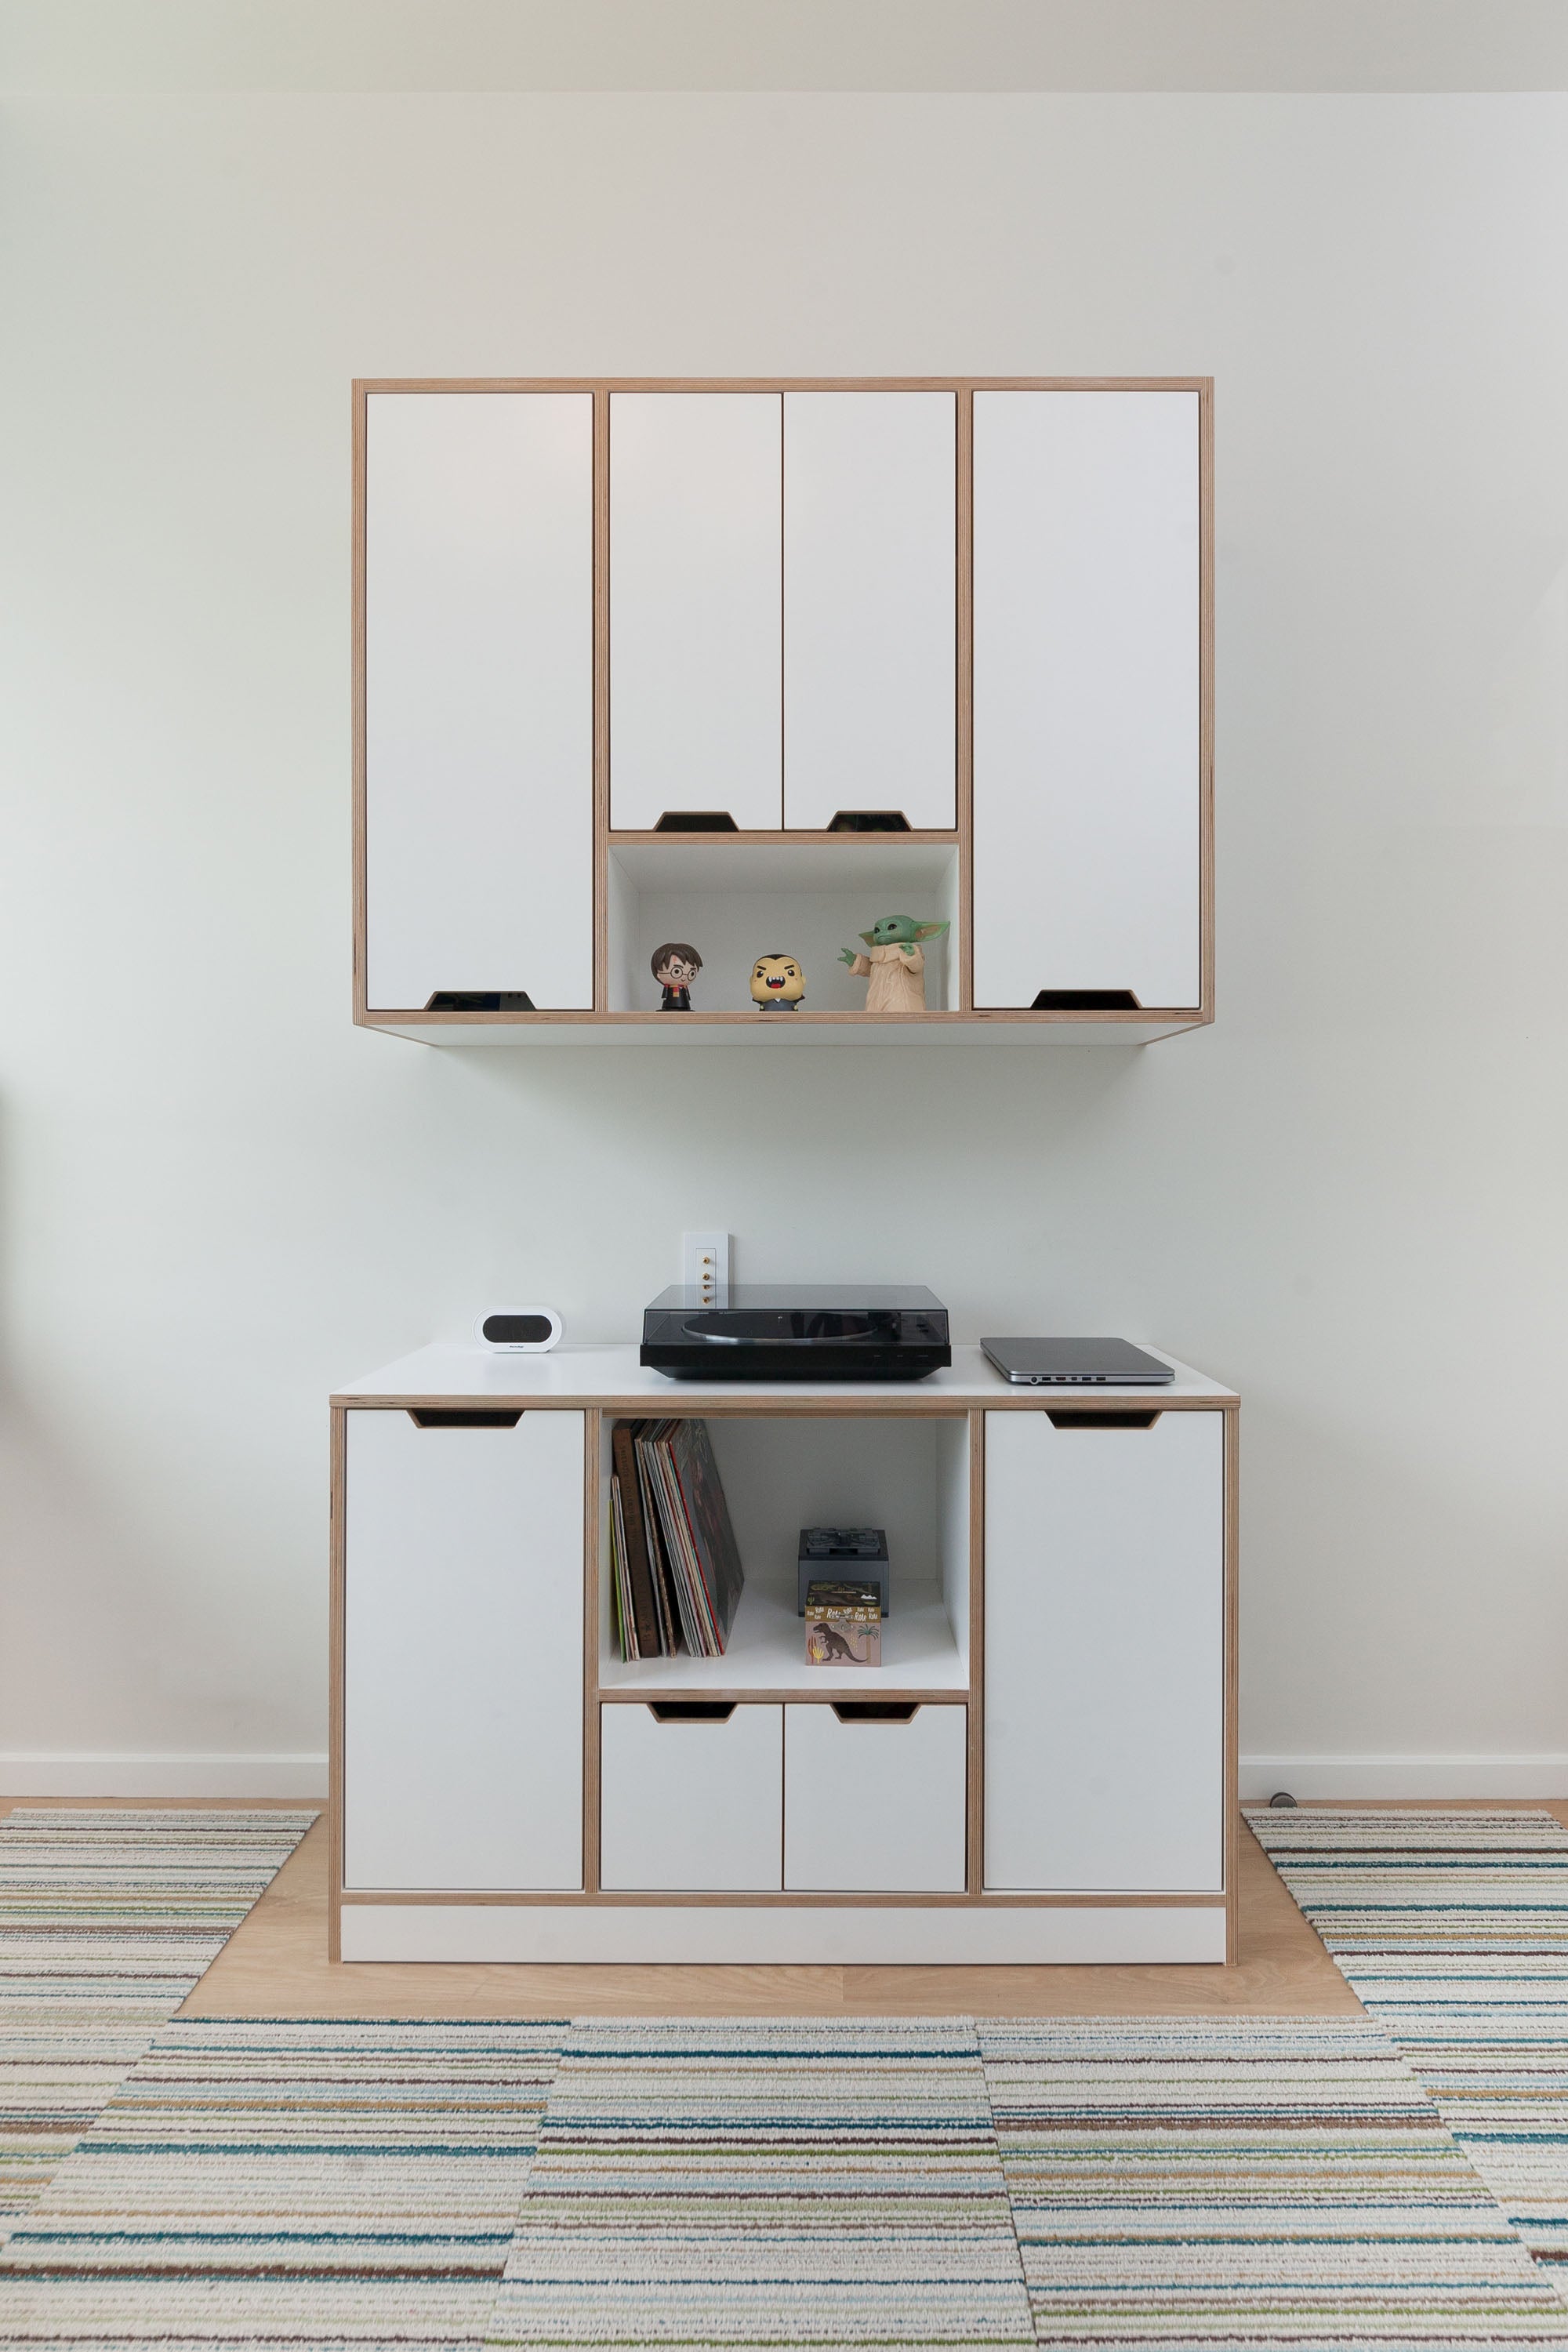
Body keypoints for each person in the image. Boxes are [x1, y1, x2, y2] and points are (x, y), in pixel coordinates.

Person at [651, 942, 702, 1012]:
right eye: (677, 971)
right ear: (658, 973)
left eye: (692, 973)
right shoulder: (668, 987)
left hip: (685, 1004)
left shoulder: (684, 987)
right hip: (668, 1004)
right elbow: (665, 994)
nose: (684, 977)